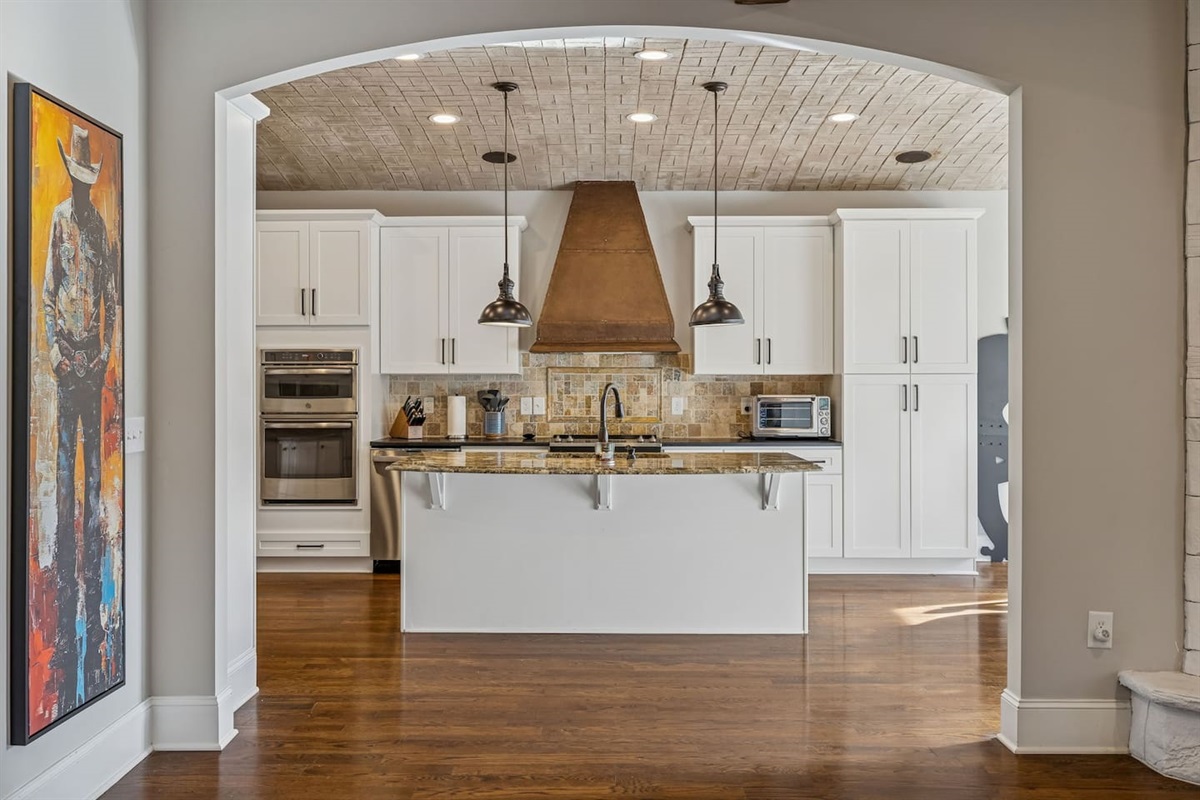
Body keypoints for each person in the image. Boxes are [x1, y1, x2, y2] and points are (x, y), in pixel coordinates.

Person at [42, 123, 119, 706]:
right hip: (68, 364)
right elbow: (48, 295)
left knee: (92, 480)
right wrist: (56, 355)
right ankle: (67, 566)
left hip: (92, 364)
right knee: (66, 471)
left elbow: (112, 302)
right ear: (72, 177)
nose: (83, 188)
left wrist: (104, 354)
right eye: (79, 178)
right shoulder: (59, 222)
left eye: (88, 180)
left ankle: (91, 561)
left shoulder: (102, 231)